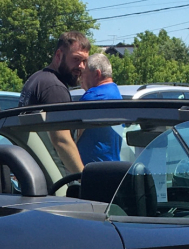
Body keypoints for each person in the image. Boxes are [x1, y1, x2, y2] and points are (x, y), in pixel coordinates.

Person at [18, 31, 90, 173]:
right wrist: (83, 178)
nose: (81, 66)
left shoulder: (37, 78)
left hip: (31, 171)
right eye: (76, 59)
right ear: (59, 55)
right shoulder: (54, 88)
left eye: (84, 61)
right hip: (52, 177)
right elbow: (62, 141)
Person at [77, 53, 122, 164]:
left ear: (97, 74)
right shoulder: (116, 93)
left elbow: (74, 135)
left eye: (84, 73)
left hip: (91, 170)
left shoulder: (93, 97)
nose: (80, 78)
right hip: (112, 165)